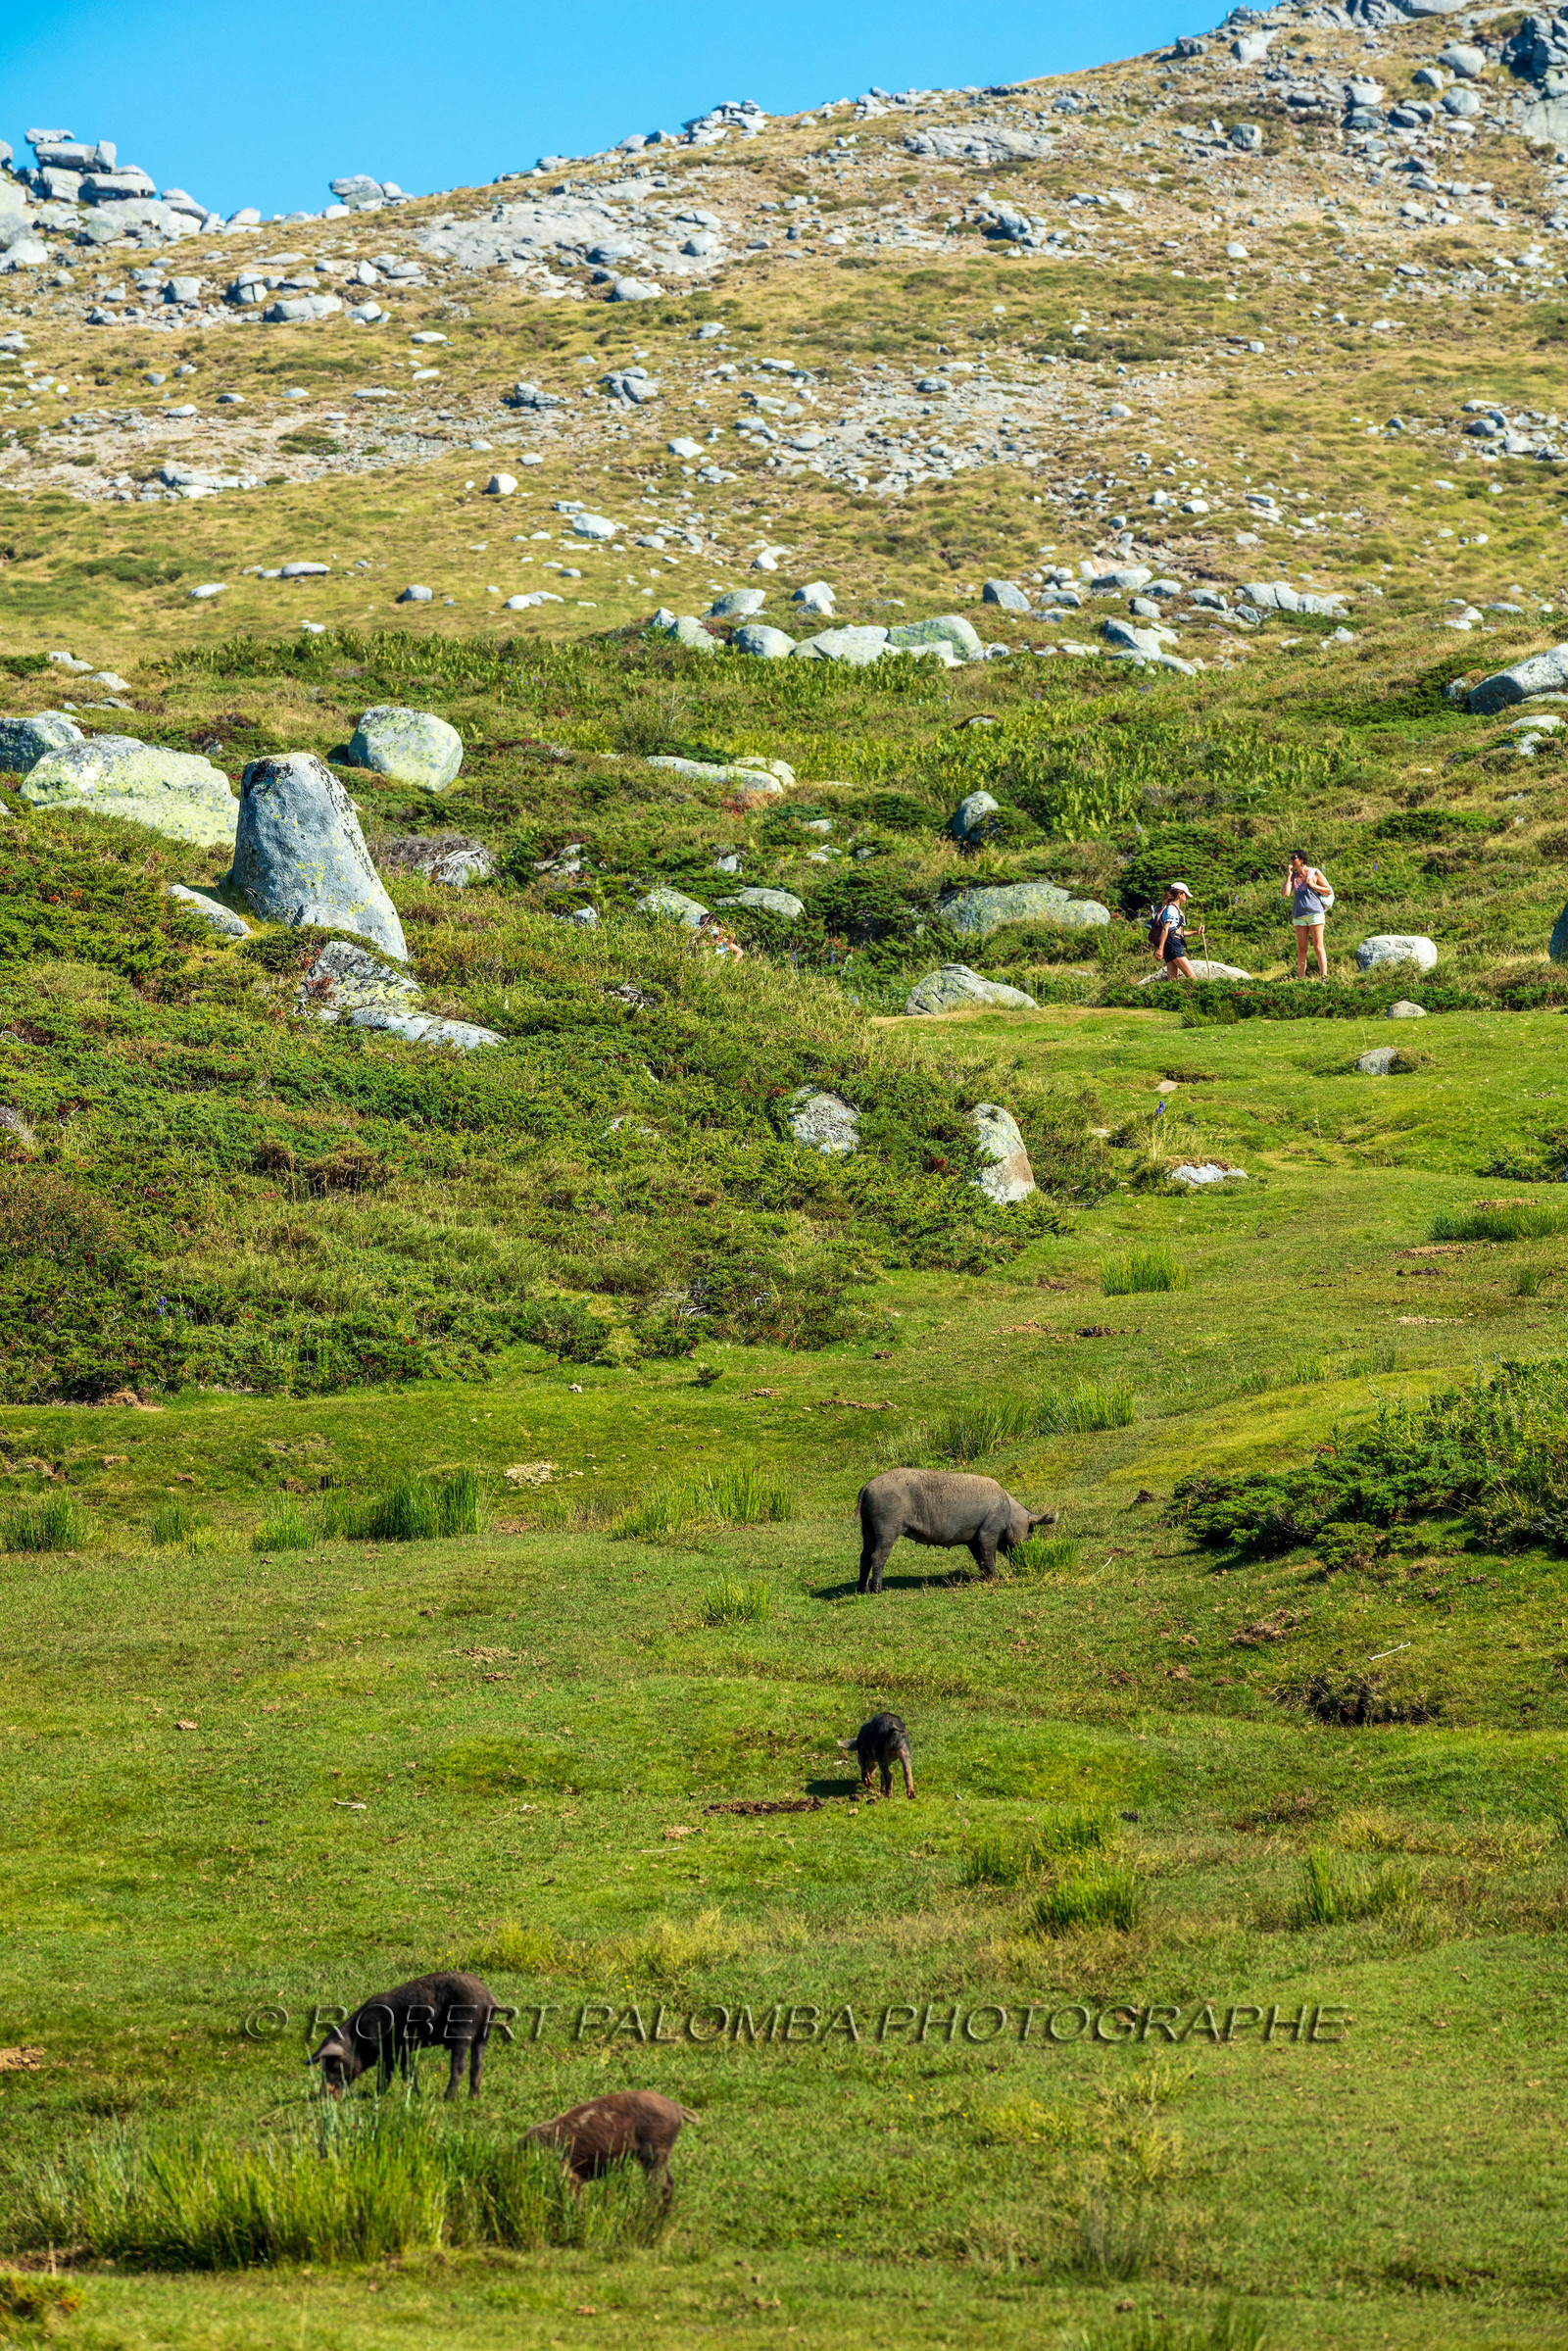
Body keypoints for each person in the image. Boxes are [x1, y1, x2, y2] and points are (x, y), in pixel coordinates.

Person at [1282, 851, 1333, 979]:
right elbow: (1285, 894)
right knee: (1301, 949)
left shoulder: (1314, 872)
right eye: (1291, 858)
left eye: (1294, 857)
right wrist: (1288, 876)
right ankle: (1301, 979)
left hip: (1315, 913)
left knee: (1318, 946)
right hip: (1298, 915)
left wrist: (1312, 885)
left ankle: (1324, 977)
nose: (1292, 860)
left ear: (1302, 859)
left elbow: (1328, 890)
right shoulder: (1293, 877)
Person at [1150, 880, 1199, 984]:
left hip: (1171, 942)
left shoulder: (1172, 908)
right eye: (1186, 895)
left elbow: (1177, 931)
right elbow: (1165, 929)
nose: (1187, 898)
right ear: (1180, 894)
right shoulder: (1172, 909)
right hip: (1173, 943)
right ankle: (1193, 997)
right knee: (1192, 977)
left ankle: (1174, 998)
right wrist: (1160, 949)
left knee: (1173, 982)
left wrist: (1196, 932)